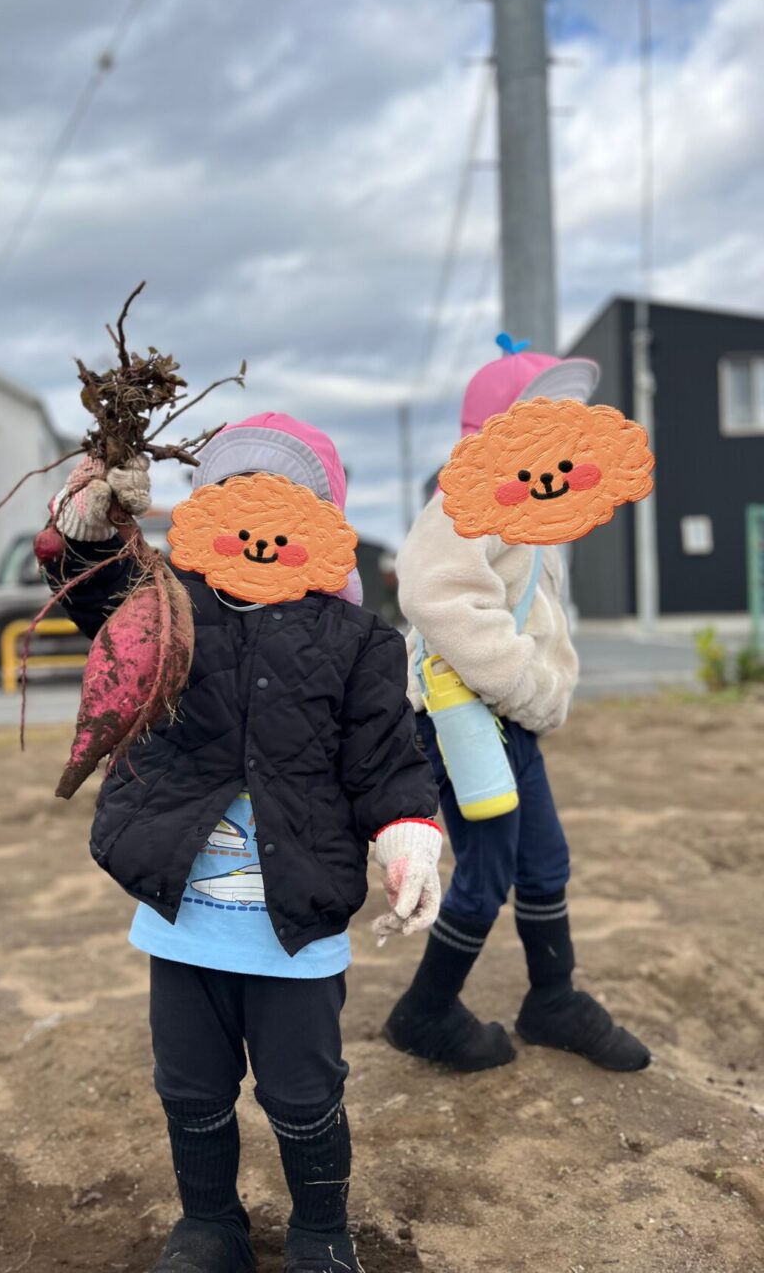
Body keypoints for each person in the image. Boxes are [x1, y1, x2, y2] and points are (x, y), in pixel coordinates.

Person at [45, 412, 442, 1273]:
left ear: (324, 523)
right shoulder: (166, 607)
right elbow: (93, 595)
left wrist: (409, 836)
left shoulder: (358, 643)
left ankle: (321, 1231)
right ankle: (210, 1224)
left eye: (284, 502)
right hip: (182, 917)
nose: (258, 522)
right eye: (232, 495)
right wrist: (86, 524)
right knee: (189, 1086)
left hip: (295, 919)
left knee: (304, 1090)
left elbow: (386, 760)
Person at [384, 342, 651, 1074]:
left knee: (543, 859)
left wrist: (533, 691)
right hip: (460, 715)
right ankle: (425, 1009)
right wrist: (522, 678)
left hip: (505, 717)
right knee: (489, 866)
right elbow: (436, 591)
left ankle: (552, 997)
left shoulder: (532, 512)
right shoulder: (468, 500)